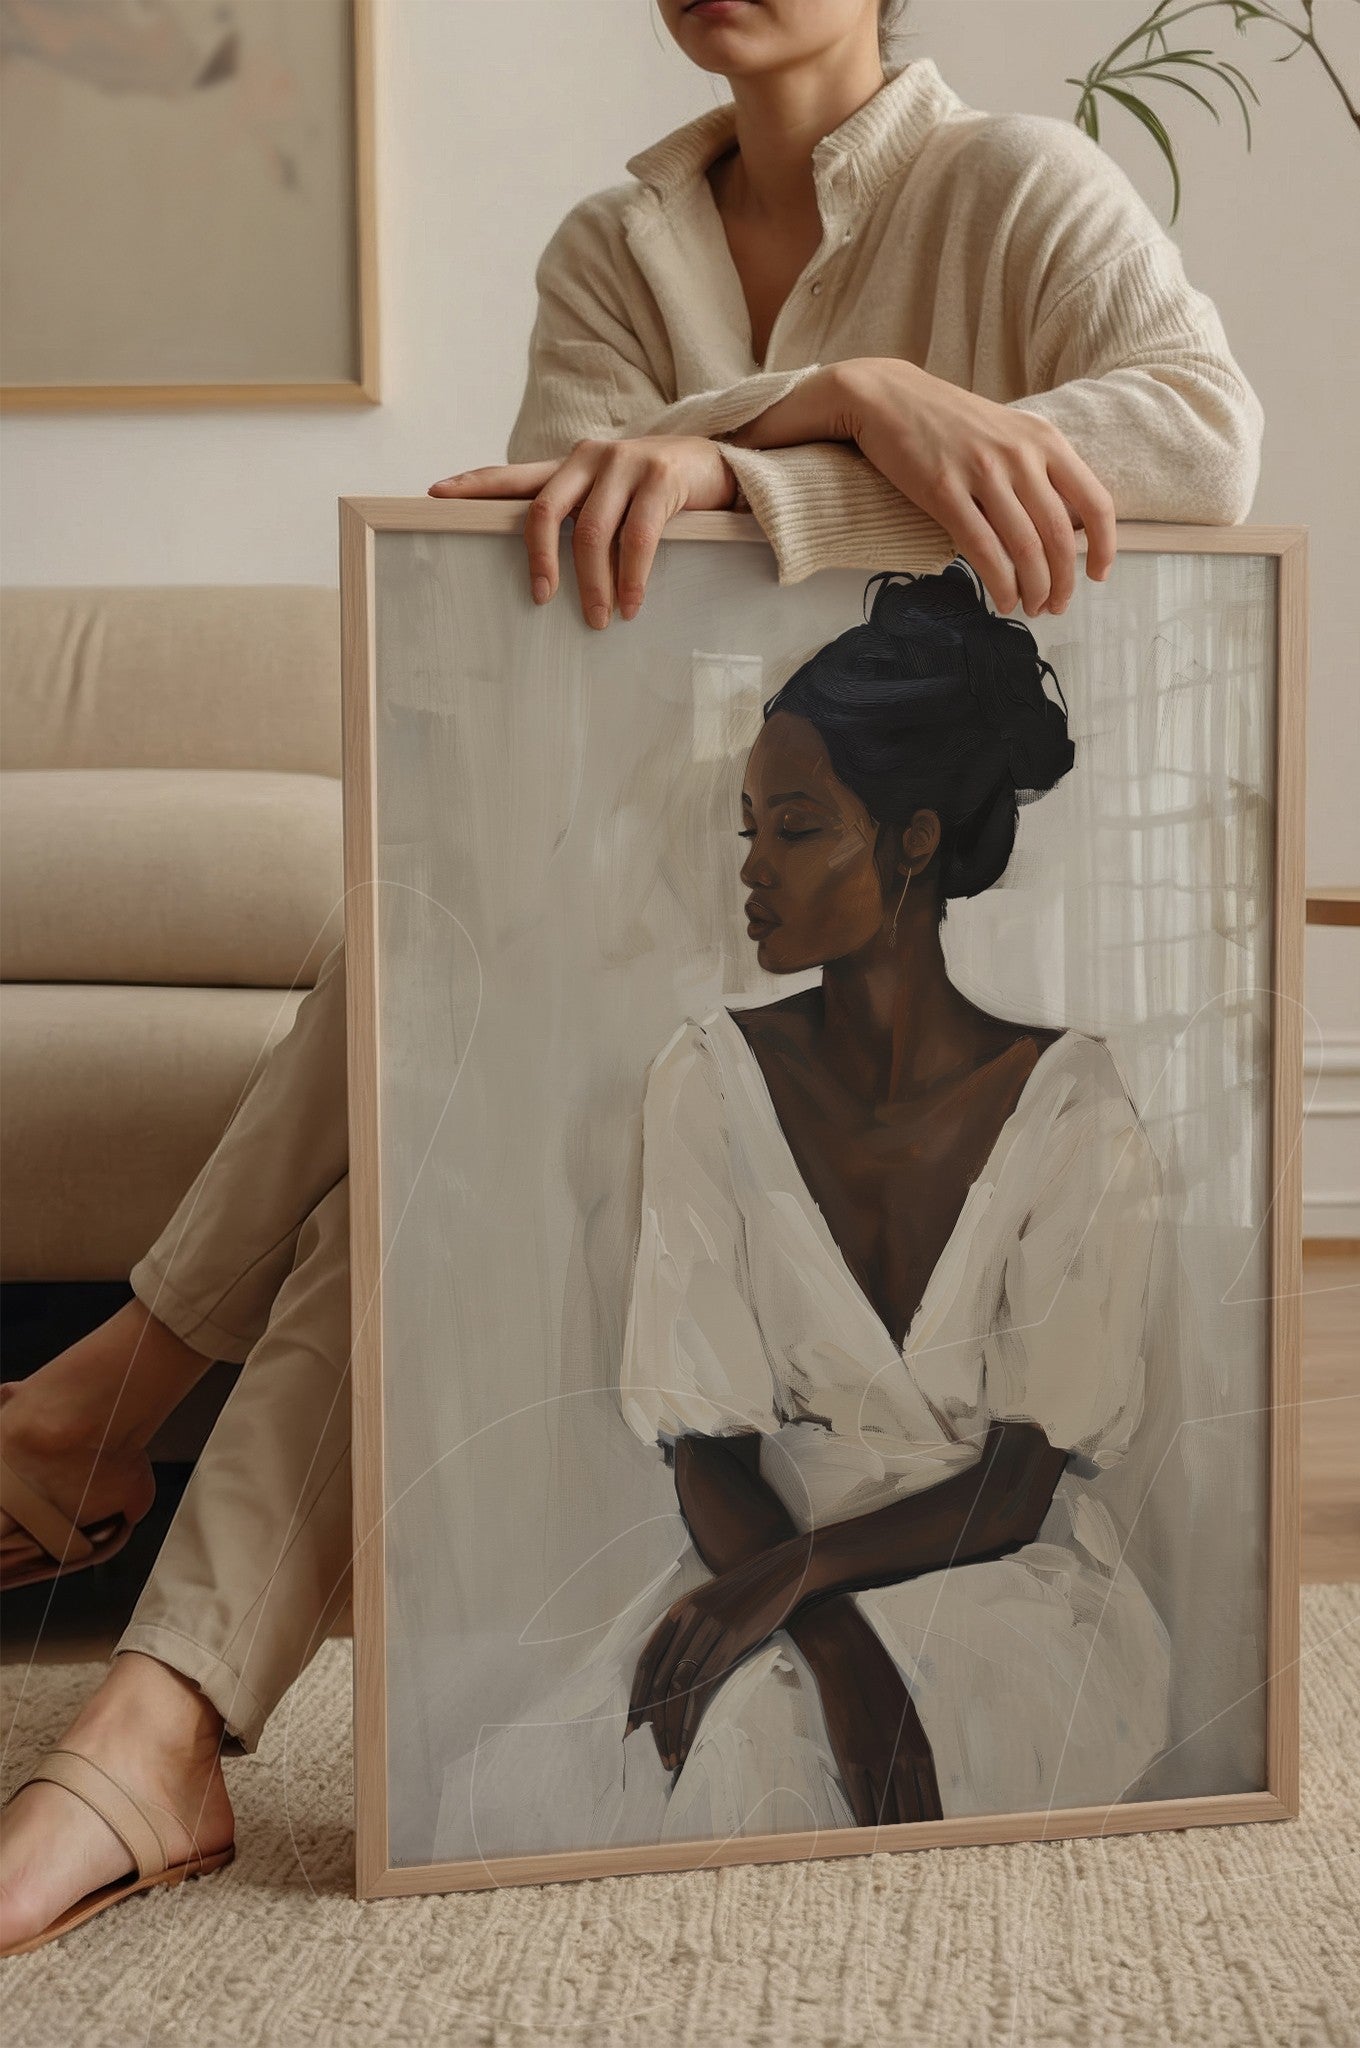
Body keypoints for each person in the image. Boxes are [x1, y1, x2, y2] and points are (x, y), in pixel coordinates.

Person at [0, 0, 1259, 1952]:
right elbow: (554, 572)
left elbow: (1198, 444)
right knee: (451, 968)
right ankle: (154, 1702)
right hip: (632, 886)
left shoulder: (1015, 187)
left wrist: (768, 450)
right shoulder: (614, 247)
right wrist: (855, 400)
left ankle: (122, 1466)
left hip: (864, 908)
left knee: (439, 1000)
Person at [435, 564, 1168, 1857]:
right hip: (763, 1559)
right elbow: (706, 1446)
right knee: (542, 1794)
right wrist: (819, 1628)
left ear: (914, 838)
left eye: (797, 827)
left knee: (764, 1741)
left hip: (1007, 1586)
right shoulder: (708, 1079)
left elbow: (1016, 1488)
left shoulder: (1070, 1104)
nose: (754, 870)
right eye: (748, 831)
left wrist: (800, 1599)